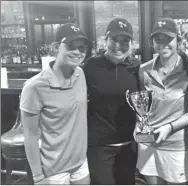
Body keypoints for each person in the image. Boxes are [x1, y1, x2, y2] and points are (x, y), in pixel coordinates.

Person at [20, 23, 90, 184]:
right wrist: (38, 177)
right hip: (54, 171)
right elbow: (30, 135)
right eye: (71, 46)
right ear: (56, 47)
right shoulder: (34, 86)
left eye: (82, 48)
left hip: (80, 164)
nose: (77, 52)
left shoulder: (80, 74)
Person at [136, 17, 188, 185]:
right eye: (158, 39)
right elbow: (142, 107)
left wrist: (169, 127)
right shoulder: (144, 70)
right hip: (149, 144)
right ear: (152, 42)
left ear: (178, 41)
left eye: (168, 39)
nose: (163, 44)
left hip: (177, 146)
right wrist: (138, 125)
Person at [82, 17, 141, 185]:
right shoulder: (90, 66)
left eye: (125, 41)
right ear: (105, 40)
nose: (118, 45)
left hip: (129, 144)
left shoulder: (137, 67)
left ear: (131, 44)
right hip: (99, 146)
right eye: (114, 39)